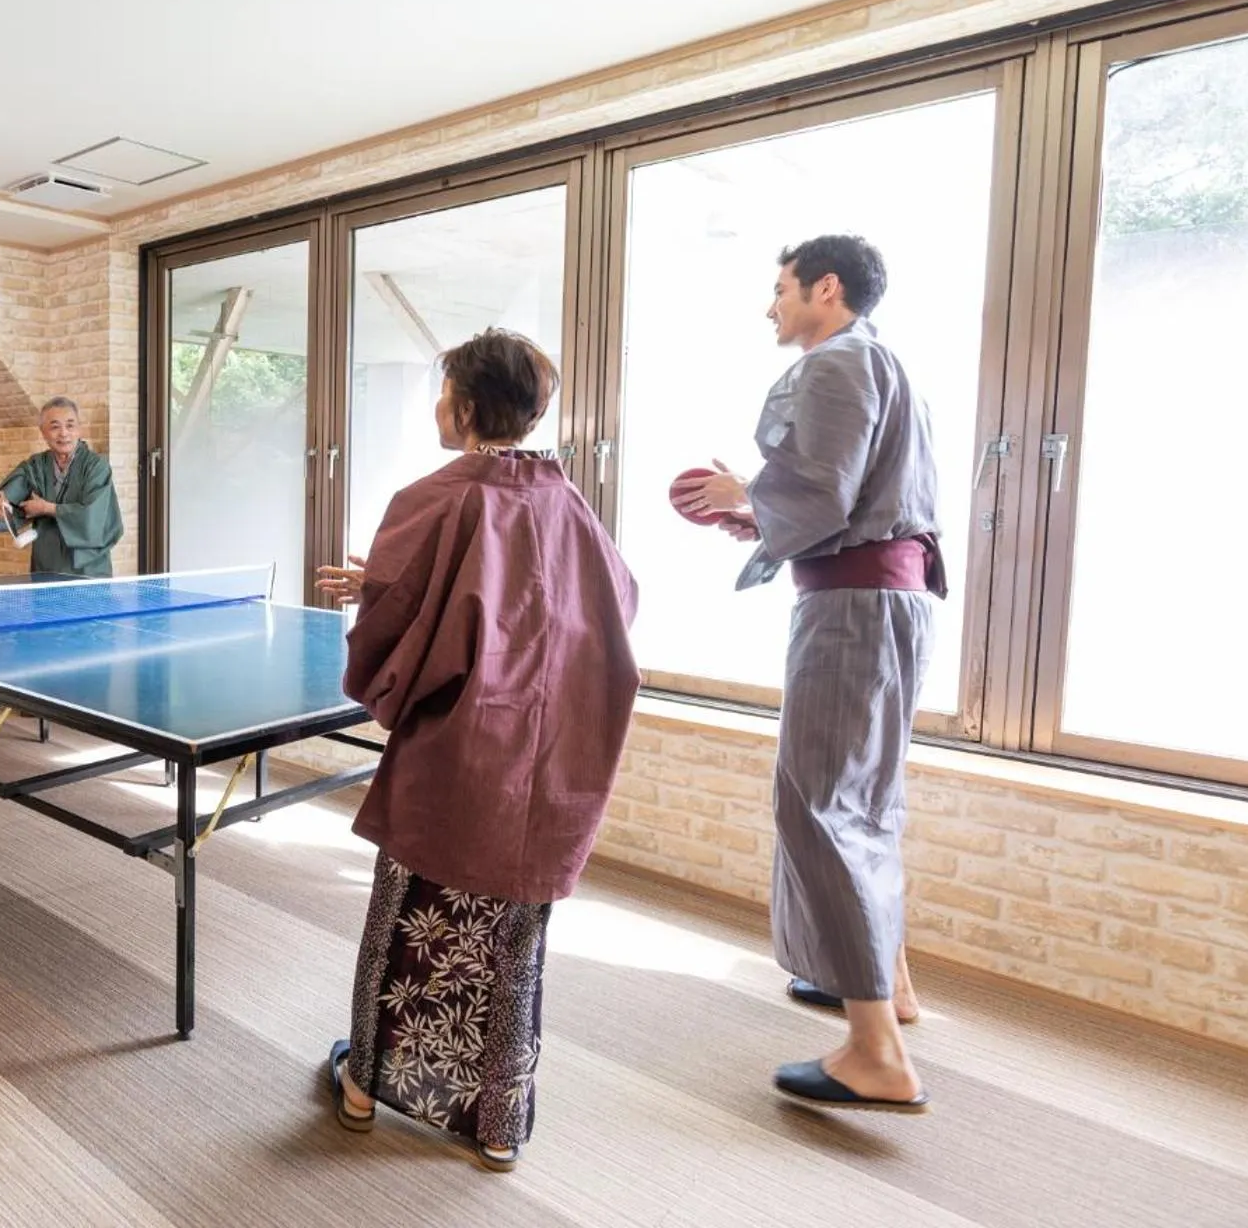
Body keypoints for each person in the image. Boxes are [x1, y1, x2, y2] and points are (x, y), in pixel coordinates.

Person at [316, 329, 640, 1172]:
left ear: (463, 407)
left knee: (407, 923)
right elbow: (603, 603)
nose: (437, 405)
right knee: (512, 939)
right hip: (551, 759)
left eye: (443, 390)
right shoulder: (568, 501)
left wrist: (386, 600)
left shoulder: (438, 496)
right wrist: (390, 588)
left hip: (457, 753)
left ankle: (364, 1088)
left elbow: (404, 634)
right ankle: (497, 1124)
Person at [676, 234, 943, 1115]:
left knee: (819, 802)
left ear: (827, 288)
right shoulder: (884, 363)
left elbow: (822, 493)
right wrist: (759, 515)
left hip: (854, 607)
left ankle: (876, 1053)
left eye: (782, 288)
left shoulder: (836, 363)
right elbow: (849, 498)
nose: (772, 306)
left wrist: (746, 498)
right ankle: (890, 989)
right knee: (865, 800)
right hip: (889, 599)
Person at [0, 397, 123, 577]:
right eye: (55, 427)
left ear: (79, 429)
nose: (64, 433)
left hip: (87, 568)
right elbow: (9, 495)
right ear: (43, 432)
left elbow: (93, 516)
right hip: (46, 564)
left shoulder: (96, 467)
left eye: (70, 425)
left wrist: (47, 508)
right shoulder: (36, 465)